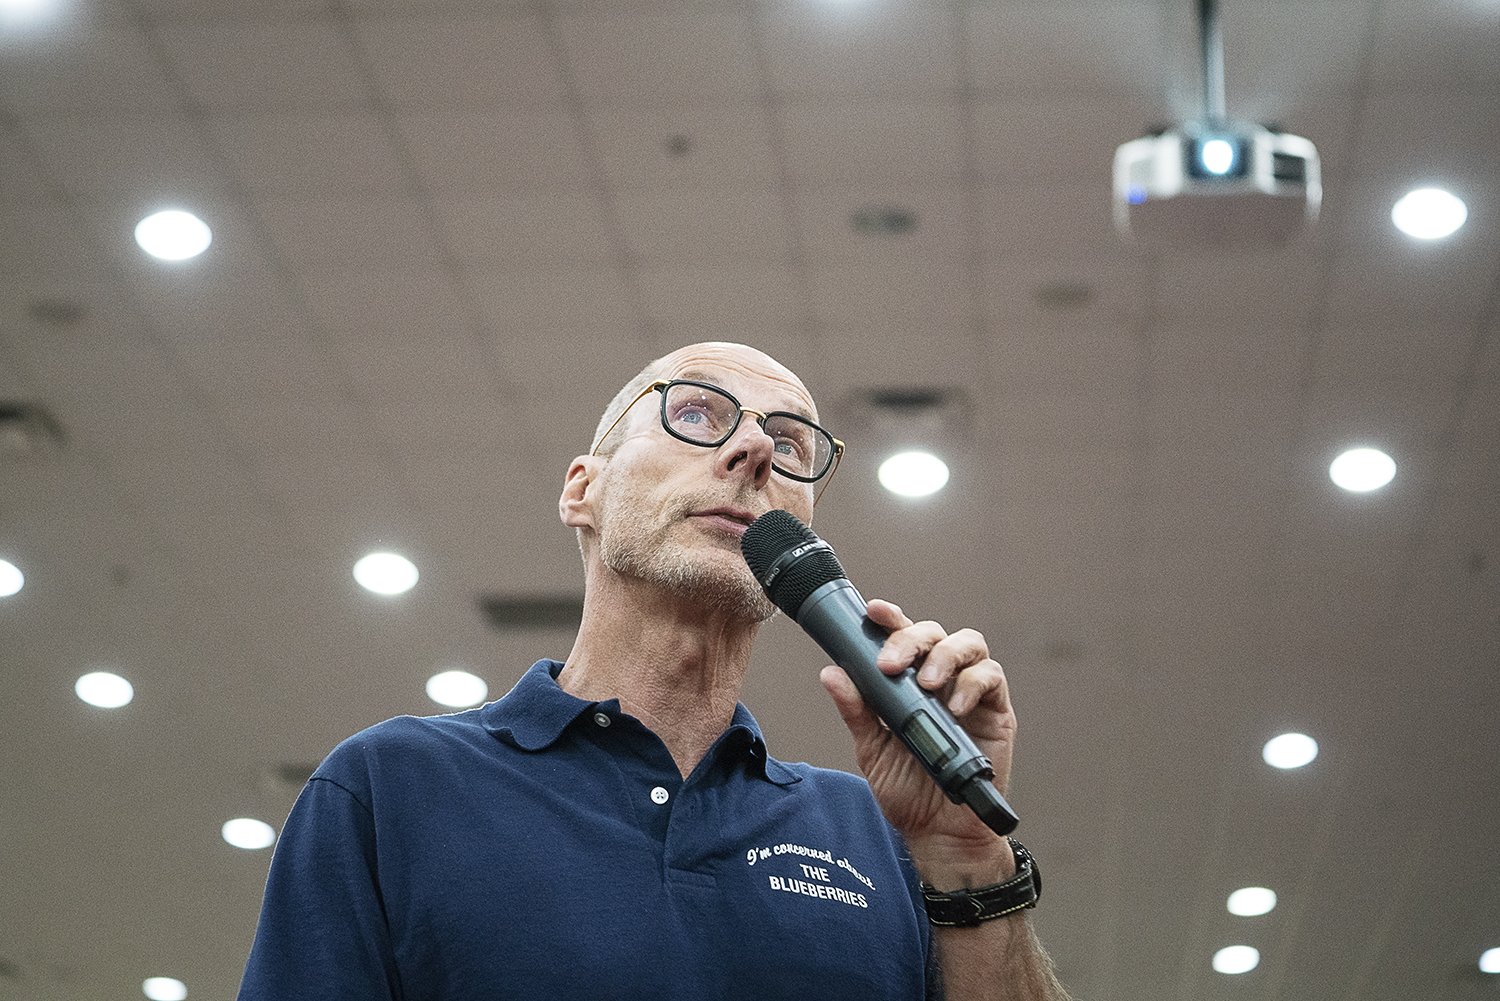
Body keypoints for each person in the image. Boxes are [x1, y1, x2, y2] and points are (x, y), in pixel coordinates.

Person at [238, 342, 1071, 1001]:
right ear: (583, 490)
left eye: (788, 443)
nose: (754, 450)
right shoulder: (392, 787)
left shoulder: (879, 837)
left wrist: (968, 857)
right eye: (700, 413)